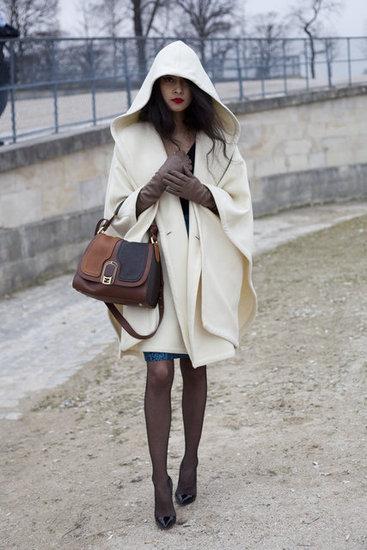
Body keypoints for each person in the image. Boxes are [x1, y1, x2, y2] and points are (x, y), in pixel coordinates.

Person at [102, 40, 257, 530]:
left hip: (201, 276)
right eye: (167, 81)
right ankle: (159, 479)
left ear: (197, 87)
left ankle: (190, 459)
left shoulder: (219, 144)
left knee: (195, 367)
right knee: (159, 374)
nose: (175, 89)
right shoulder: (132, 143)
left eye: (184, 81)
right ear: (154, 86)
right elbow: (111, 215)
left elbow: (241, 205)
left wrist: (203, 193)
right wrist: (151, 188)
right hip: (154, 277)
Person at [0, 10, 19, 145]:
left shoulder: (2, 30)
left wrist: (3, 24)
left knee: (1, 105)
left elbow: (15, 33)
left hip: (1, 76)